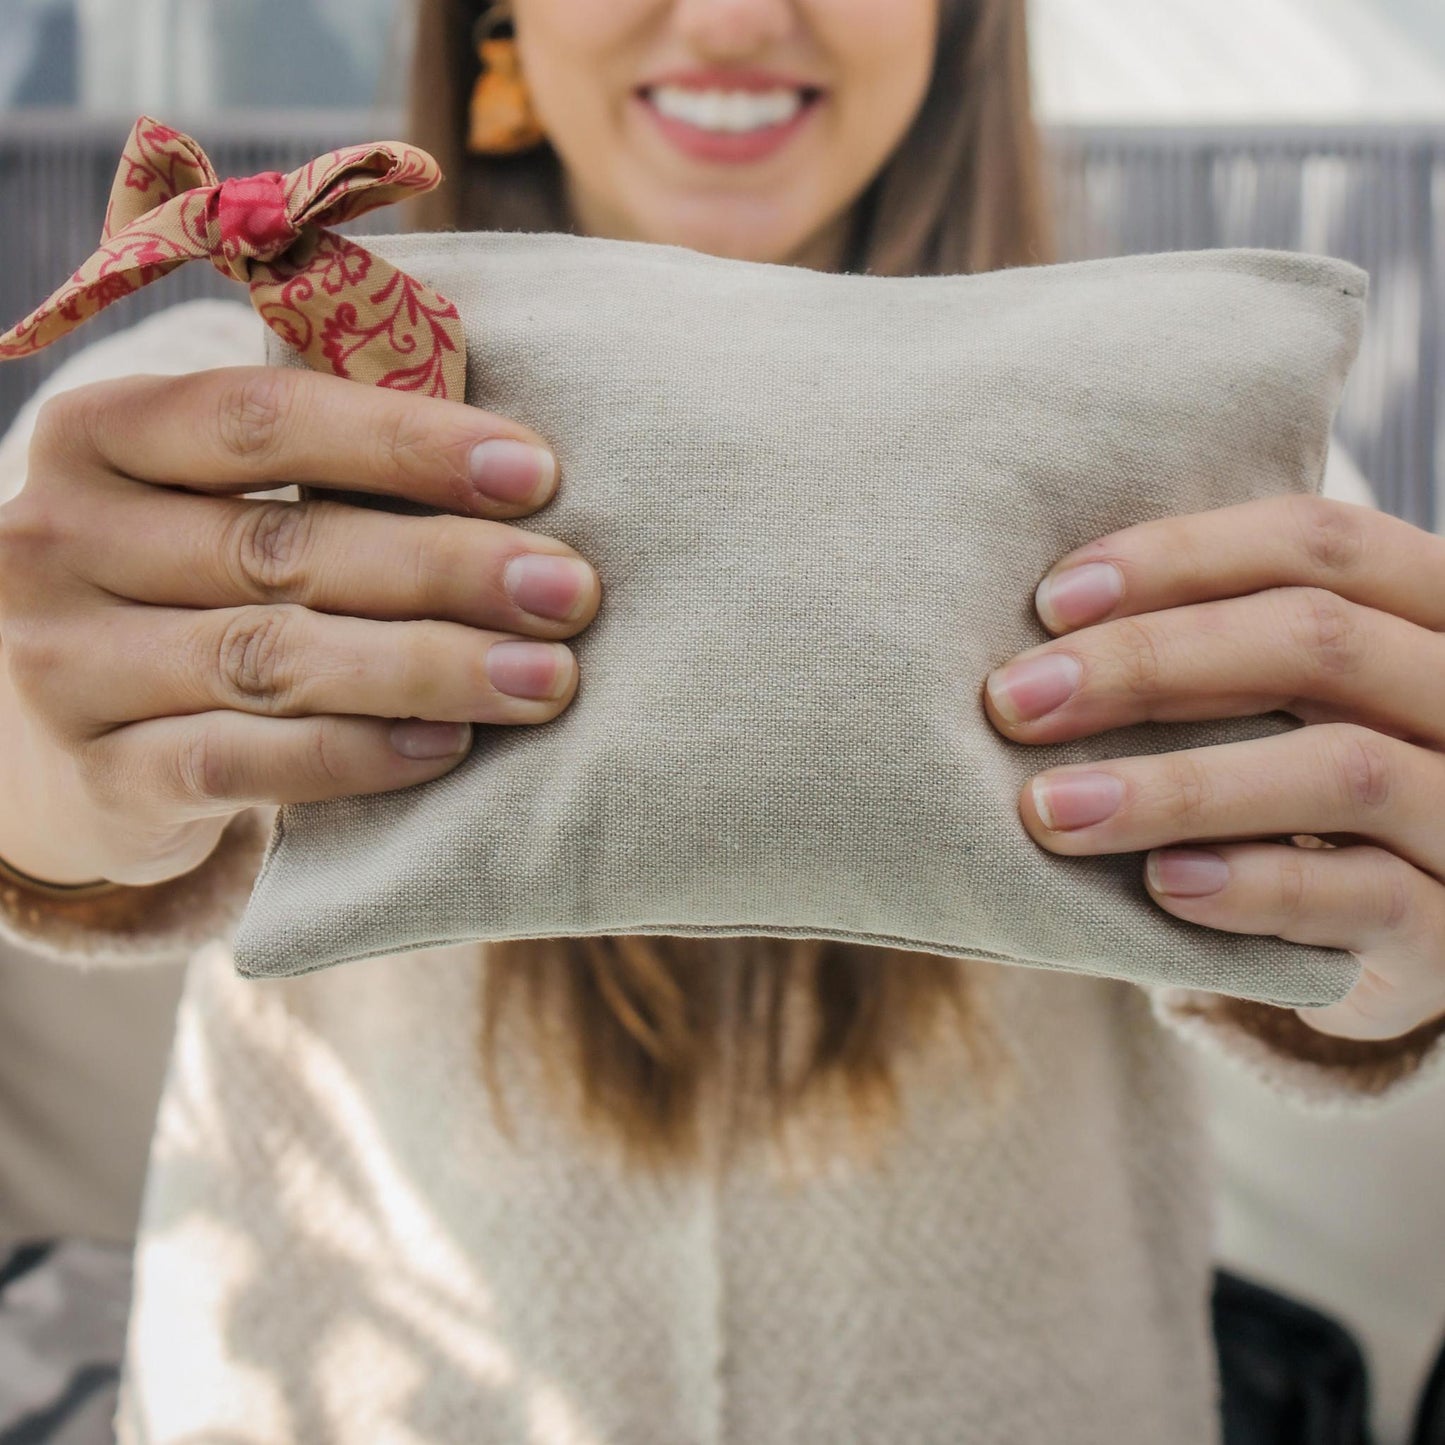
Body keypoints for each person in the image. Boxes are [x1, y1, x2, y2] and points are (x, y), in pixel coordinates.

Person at [0, 2, 1443, 1441]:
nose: (740, 15)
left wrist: (1386, 953)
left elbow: (1347, 927)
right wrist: (48, 786)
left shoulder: (1191, 436)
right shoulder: (229, 393)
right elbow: (47, 732)